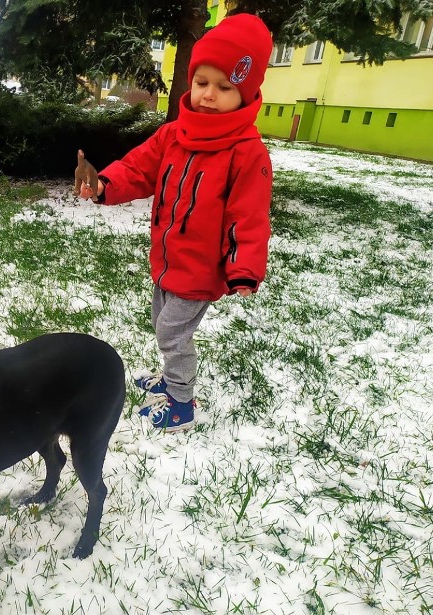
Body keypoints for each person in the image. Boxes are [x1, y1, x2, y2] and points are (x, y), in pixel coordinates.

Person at [75, 13, 274, 432]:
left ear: (246, 93)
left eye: (224, 87)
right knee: (162, 321)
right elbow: (139, 168)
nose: (208, 95)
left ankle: (181, 401)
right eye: (202, 82)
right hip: (167, 260)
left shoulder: (245, 152)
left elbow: (249, 215)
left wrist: (243, 267)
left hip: (201, 270)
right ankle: (170, 378)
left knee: (172, 334)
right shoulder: (175, 134)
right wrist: (104, 184)